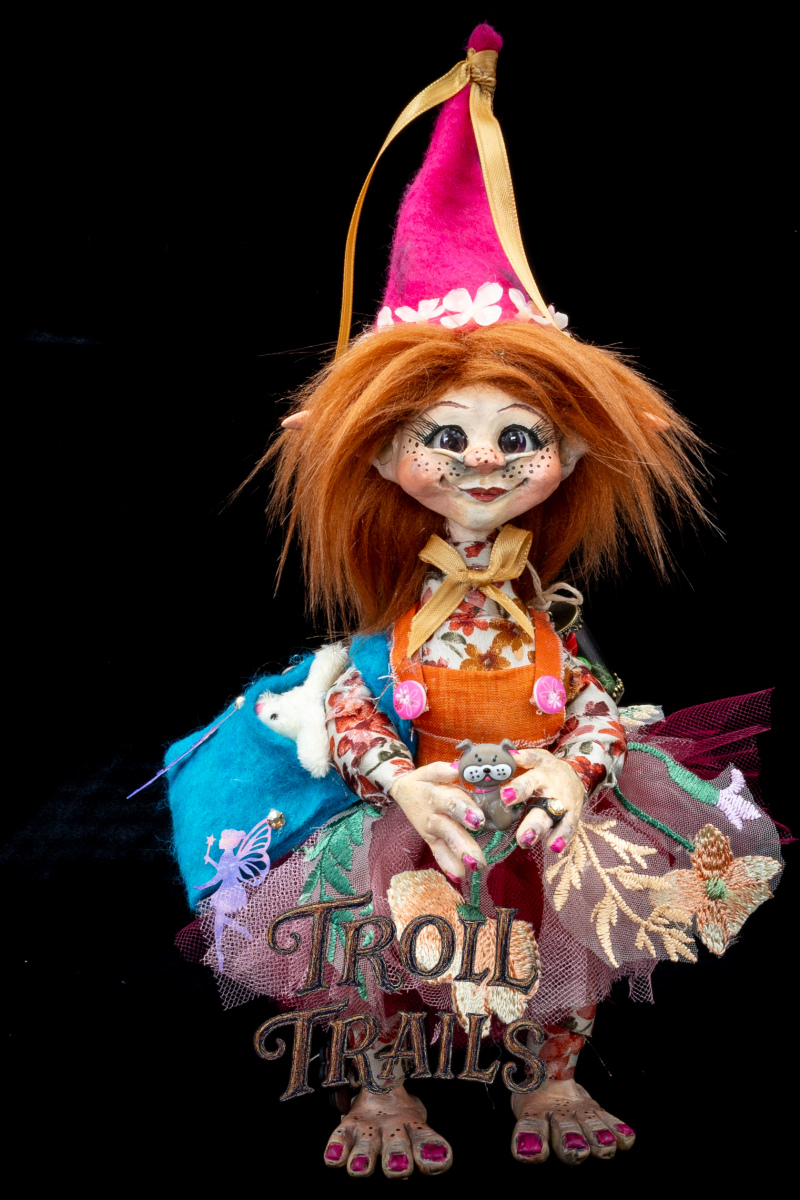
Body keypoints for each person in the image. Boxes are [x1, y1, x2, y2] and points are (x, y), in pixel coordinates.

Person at [166, 23, 783, 1179]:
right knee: (372, 953)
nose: (484, 463)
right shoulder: (403, 614)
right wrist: (397, 778)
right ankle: (379, 1089)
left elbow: (589, 700)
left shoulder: (542, 607)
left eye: (520, 437)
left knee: (563, 940)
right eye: (442, 438)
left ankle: (550, 1075)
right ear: (381, 455)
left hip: (531, 818)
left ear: (569, 451)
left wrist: (574, 771)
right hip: (422, 807)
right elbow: (349, 702)